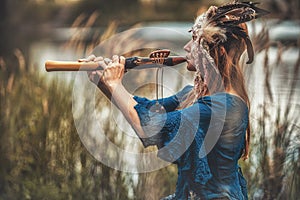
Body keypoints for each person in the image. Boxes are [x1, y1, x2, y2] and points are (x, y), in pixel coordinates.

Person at [81, 1, 268, 199]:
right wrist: (103, 82)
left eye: (195, 41)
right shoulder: (193, 94)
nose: (187, 47)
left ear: (217, 52)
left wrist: (115, 85)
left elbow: (147, 127)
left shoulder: (226, 106)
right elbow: (147, 110)